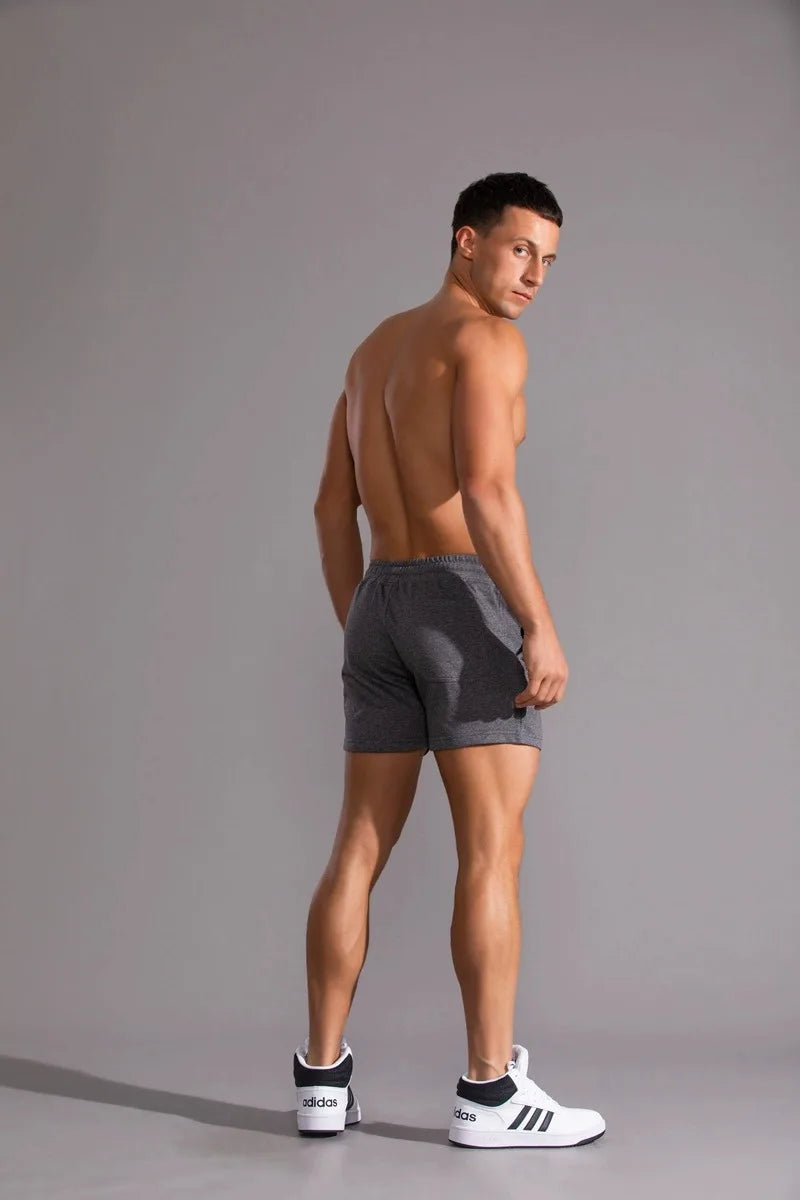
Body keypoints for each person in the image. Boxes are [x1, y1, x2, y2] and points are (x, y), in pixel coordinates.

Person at [294, 172, 605, 1148]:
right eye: (519, 250)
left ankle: (320, 1080)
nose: (534, 276)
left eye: (547, 260)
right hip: (463, 599)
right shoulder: (486, 342)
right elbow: (484, 489)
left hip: (379, 599)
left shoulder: (371, 351)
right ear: (466, 240)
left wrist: (364, 620)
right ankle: (488, 1093)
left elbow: (329, 506)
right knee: (491, 850)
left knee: (357, 846)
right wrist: (536, 622)